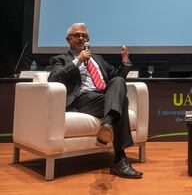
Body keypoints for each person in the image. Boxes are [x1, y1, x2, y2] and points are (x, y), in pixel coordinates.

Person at [48, 22, 142, 179]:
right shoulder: (60, 59)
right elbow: (54, 78)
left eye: (84, 36)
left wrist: (125, 64)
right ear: (68, 39)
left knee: (118, 81)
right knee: (122, 102)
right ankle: (120, 159)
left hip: (104, 96)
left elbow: (117, 77)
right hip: (82, 98)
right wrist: (77, 60)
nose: (81, 38)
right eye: (76, 35)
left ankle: (107, 124)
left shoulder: (98, 59)